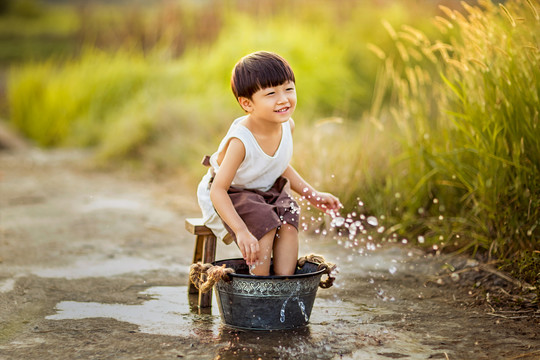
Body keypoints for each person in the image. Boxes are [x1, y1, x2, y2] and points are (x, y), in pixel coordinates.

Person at [197, 51, 341, 276]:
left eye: (288, 89)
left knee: (289, 218)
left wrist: (313, 194)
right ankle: (259, 286)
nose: (283, 99)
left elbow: (277, 165)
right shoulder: (241, 141)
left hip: (265, 189)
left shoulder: (287, 126)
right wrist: (241, 231)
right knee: (264, 224)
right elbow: (218, 190)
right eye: (271, 93)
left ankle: (284, 285)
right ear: (247, 104)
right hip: (230, 193)